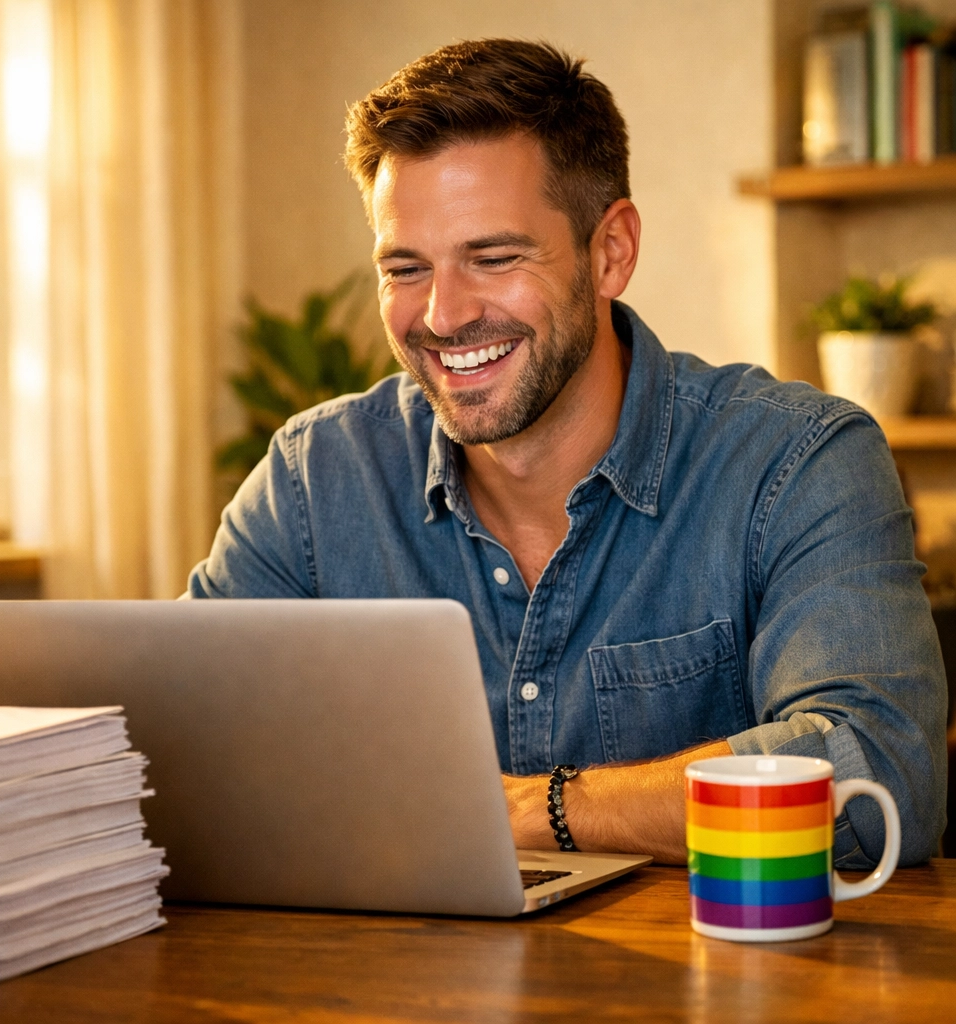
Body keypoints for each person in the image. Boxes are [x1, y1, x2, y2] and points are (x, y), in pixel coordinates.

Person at [189, 39, 946, 865]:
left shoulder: (796, 461)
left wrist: (535, 810)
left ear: (610, 251)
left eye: (494, 258)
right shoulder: (314, 478)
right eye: (405, 268)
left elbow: (879, 777)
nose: (442, 315)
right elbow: (179, 746)